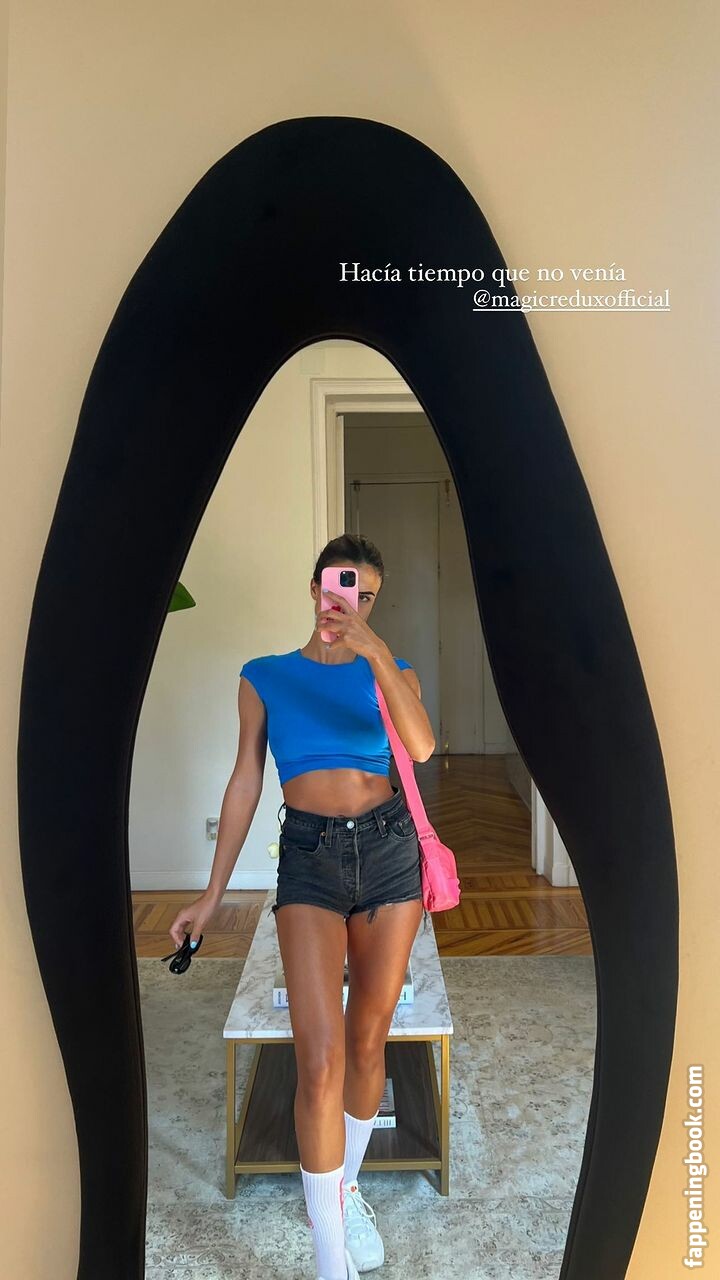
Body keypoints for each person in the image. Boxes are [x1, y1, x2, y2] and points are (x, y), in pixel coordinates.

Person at [169, 533, 435, 1280]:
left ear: (372, 602)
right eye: (337, 587)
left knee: (368, 1041)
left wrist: (375, 652)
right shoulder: (264, 676)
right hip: (309, 858)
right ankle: (328, 1260)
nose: (346, 602)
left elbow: (420, 749)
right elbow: (246, 781)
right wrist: (212, 895)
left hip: (389, 852)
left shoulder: (393, 670)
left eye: (363, 595)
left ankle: (344, 1192)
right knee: (318, 1058)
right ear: (315, 588)